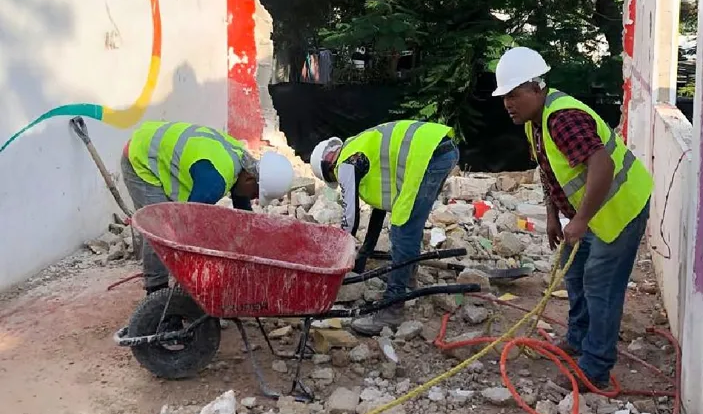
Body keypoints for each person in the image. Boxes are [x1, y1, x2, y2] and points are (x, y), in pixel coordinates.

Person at [493, 47, 653, 391]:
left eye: (514, 95)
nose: (508, 104)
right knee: (575, 270)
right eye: (504, 97)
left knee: (600, 284)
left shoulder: (562, 118)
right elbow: (549, 168)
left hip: (620, 208)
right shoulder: (534, 122)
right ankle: (579, 339)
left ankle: (595, 367)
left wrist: (579, 220)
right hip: (590, 213)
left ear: (537, 88)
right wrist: (554, 216)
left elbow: (603, 166)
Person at [310, 120, 459, 335]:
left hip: (428, 155)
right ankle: (407, 280)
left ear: (328, 166)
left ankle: (392, 308)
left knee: (402, 228)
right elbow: (378, 211)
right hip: (442, 149)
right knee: (411, 223)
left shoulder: (346, 163)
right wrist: (364, 253)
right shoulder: (362, 147)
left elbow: (350, 218)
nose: (339, 182)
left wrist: (340, 258)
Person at [121, 120, 295, 294]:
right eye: (255, 194)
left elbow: (243, 213)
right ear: (250, 179)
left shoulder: (242, 162)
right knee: (159, 227)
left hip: (156, 144)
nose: (254, 199)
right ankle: (156, 293)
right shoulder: (214, 182)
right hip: (142, 156)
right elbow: (187, 228)